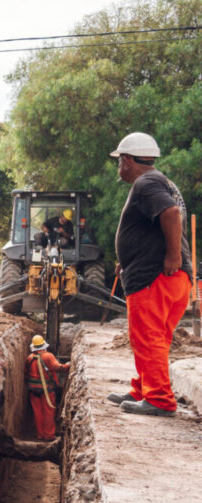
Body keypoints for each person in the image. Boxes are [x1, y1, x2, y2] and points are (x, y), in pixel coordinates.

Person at [106, 132, 192, 417]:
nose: (119, 167)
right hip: (169, 278)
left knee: (147, 337)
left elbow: (170, 214)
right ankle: (145, 389)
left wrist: (172, 257)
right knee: (154, 338)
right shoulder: (161, 181)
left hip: (155, 278)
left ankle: (159, 399)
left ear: (128, 160)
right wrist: (126, 260)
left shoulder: (146, 183)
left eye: (119, 161)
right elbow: (154, 228)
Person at [26, 335, 69, 441]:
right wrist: (68, 365)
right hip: (47, 390)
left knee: (37, 412)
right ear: (44, 346)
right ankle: (48, 435)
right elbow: (58, 367)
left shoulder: (30, 358)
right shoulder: (48, 356)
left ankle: (40, 434)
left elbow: (26, 372)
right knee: (49, 412)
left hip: (33, 390)